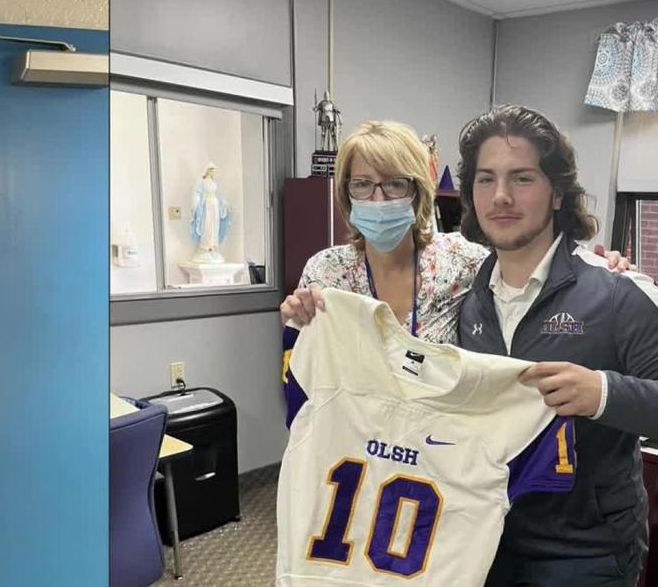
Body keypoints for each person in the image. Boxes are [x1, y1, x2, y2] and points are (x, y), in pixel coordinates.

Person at [455, 104, 658, 586]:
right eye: (486, 180)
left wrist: (603, 393)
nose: (501, 196)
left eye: (522, 178)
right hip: (485, 538)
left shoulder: (620, 294)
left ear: (557, 193)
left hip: (586, 553)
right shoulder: (466, 301)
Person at [279, 120, 630, 344]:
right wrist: (298, 319)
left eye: (395, 184)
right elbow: (306, 372)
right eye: (362, 184)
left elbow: (533, 269)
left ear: (418, 192)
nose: (378, 198)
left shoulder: (463, 260)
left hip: (441, 450)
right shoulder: (325, 272)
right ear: (345, 193)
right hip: (361, 449)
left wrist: (602, 268)